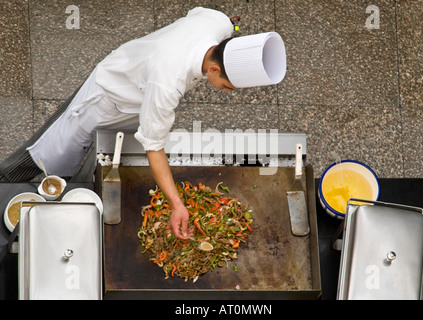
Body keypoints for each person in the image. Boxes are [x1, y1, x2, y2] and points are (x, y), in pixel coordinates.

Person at [0, 7, 286, 239]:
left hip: (138, 94)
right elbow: (154, 149)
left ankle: (71, 185)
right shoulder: (167, 83)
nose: (226, 91)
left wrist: (233, 29)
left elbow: (210, 19)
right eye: (227, 85)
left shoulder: (216, 23)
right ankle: (4, 179)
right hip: (109, 92)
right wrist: (177, 205)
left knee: (85, 153)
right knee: (51, 147)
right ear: (213, 68)